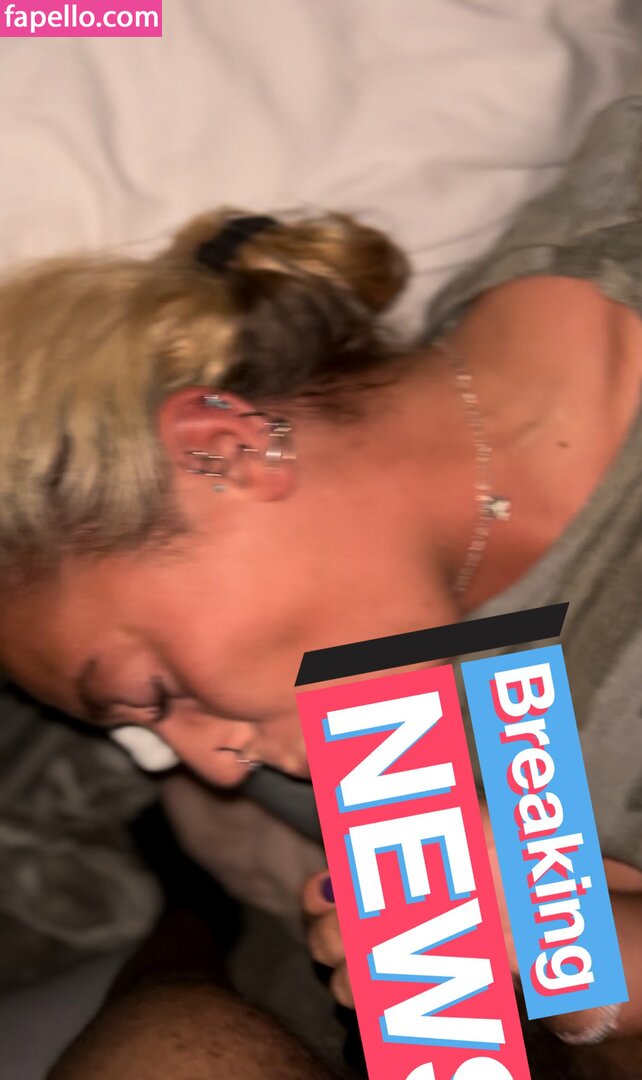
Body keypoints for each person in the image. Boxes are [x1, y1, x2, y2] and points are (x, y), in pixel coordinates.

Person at [1, 77, 642, 1074]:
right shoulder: (411, 748)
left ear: (220, 452)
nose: (219, 767)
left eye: (153, 693)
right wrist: (589, 962)